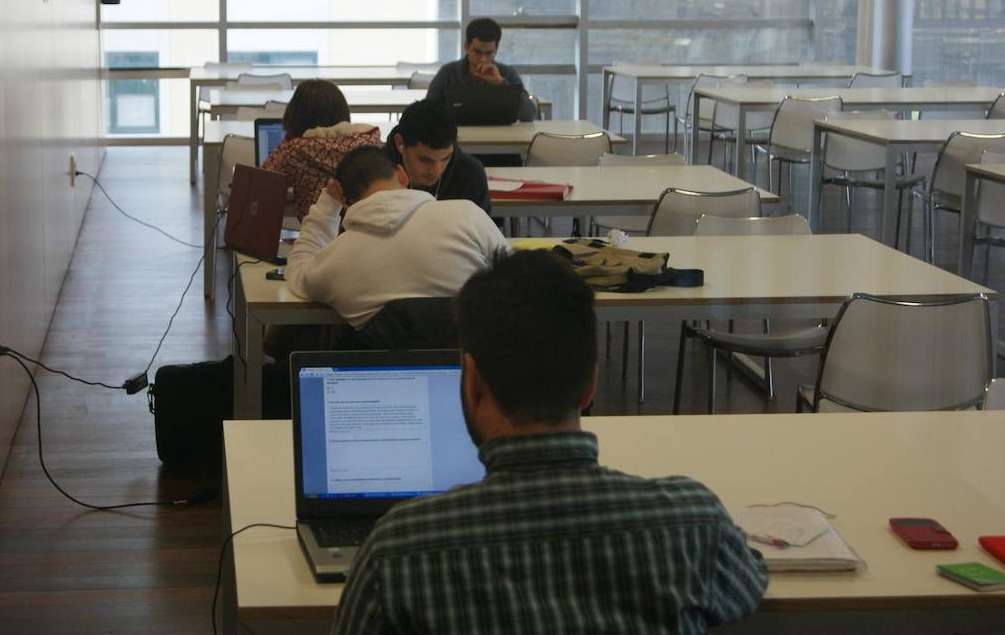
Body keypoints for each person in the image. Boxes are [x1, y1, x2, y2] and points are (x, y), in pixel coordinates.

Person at [331, 251, 769, 635]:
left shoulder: (399, 550)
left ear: (471, 382)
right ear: (589, 386)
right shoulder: (692, 522)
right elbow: (748, 586)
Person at [286, 145, 508, 329]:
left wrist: (327, 205)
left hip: (387, 375)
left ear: (345, 202)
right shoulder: (467, 214)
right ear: (402, 175)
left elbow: (297, 272)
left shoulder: (337, 260)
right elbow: (514, 278)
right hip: (474, 368)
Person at [261, 79, 381, 219]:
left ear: (296, 116)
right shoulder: (371, 144)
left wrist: (289, 138)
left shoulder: (296, 151)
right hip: (366, 232)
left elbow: (260, 184)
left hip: (317, 235)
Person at [383, 99, 491, 213]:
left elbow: (479, 229)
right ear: (400, 143)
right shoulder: (375, 173)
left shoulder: (470, 173)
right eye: (425, 160)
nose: (436, 171)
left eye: (446, 158)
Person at [425, 17, 538, 122]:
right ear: (466, 47)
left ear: (496, 49)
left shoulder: (506, 74)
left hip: (498, 138)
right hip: (456, 136)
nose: (483, 59)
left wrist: (500, 83)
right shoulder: (448, 73)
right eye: (477, 52)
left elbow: (528, 115)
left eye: (489, 53)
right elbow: (427, 111)